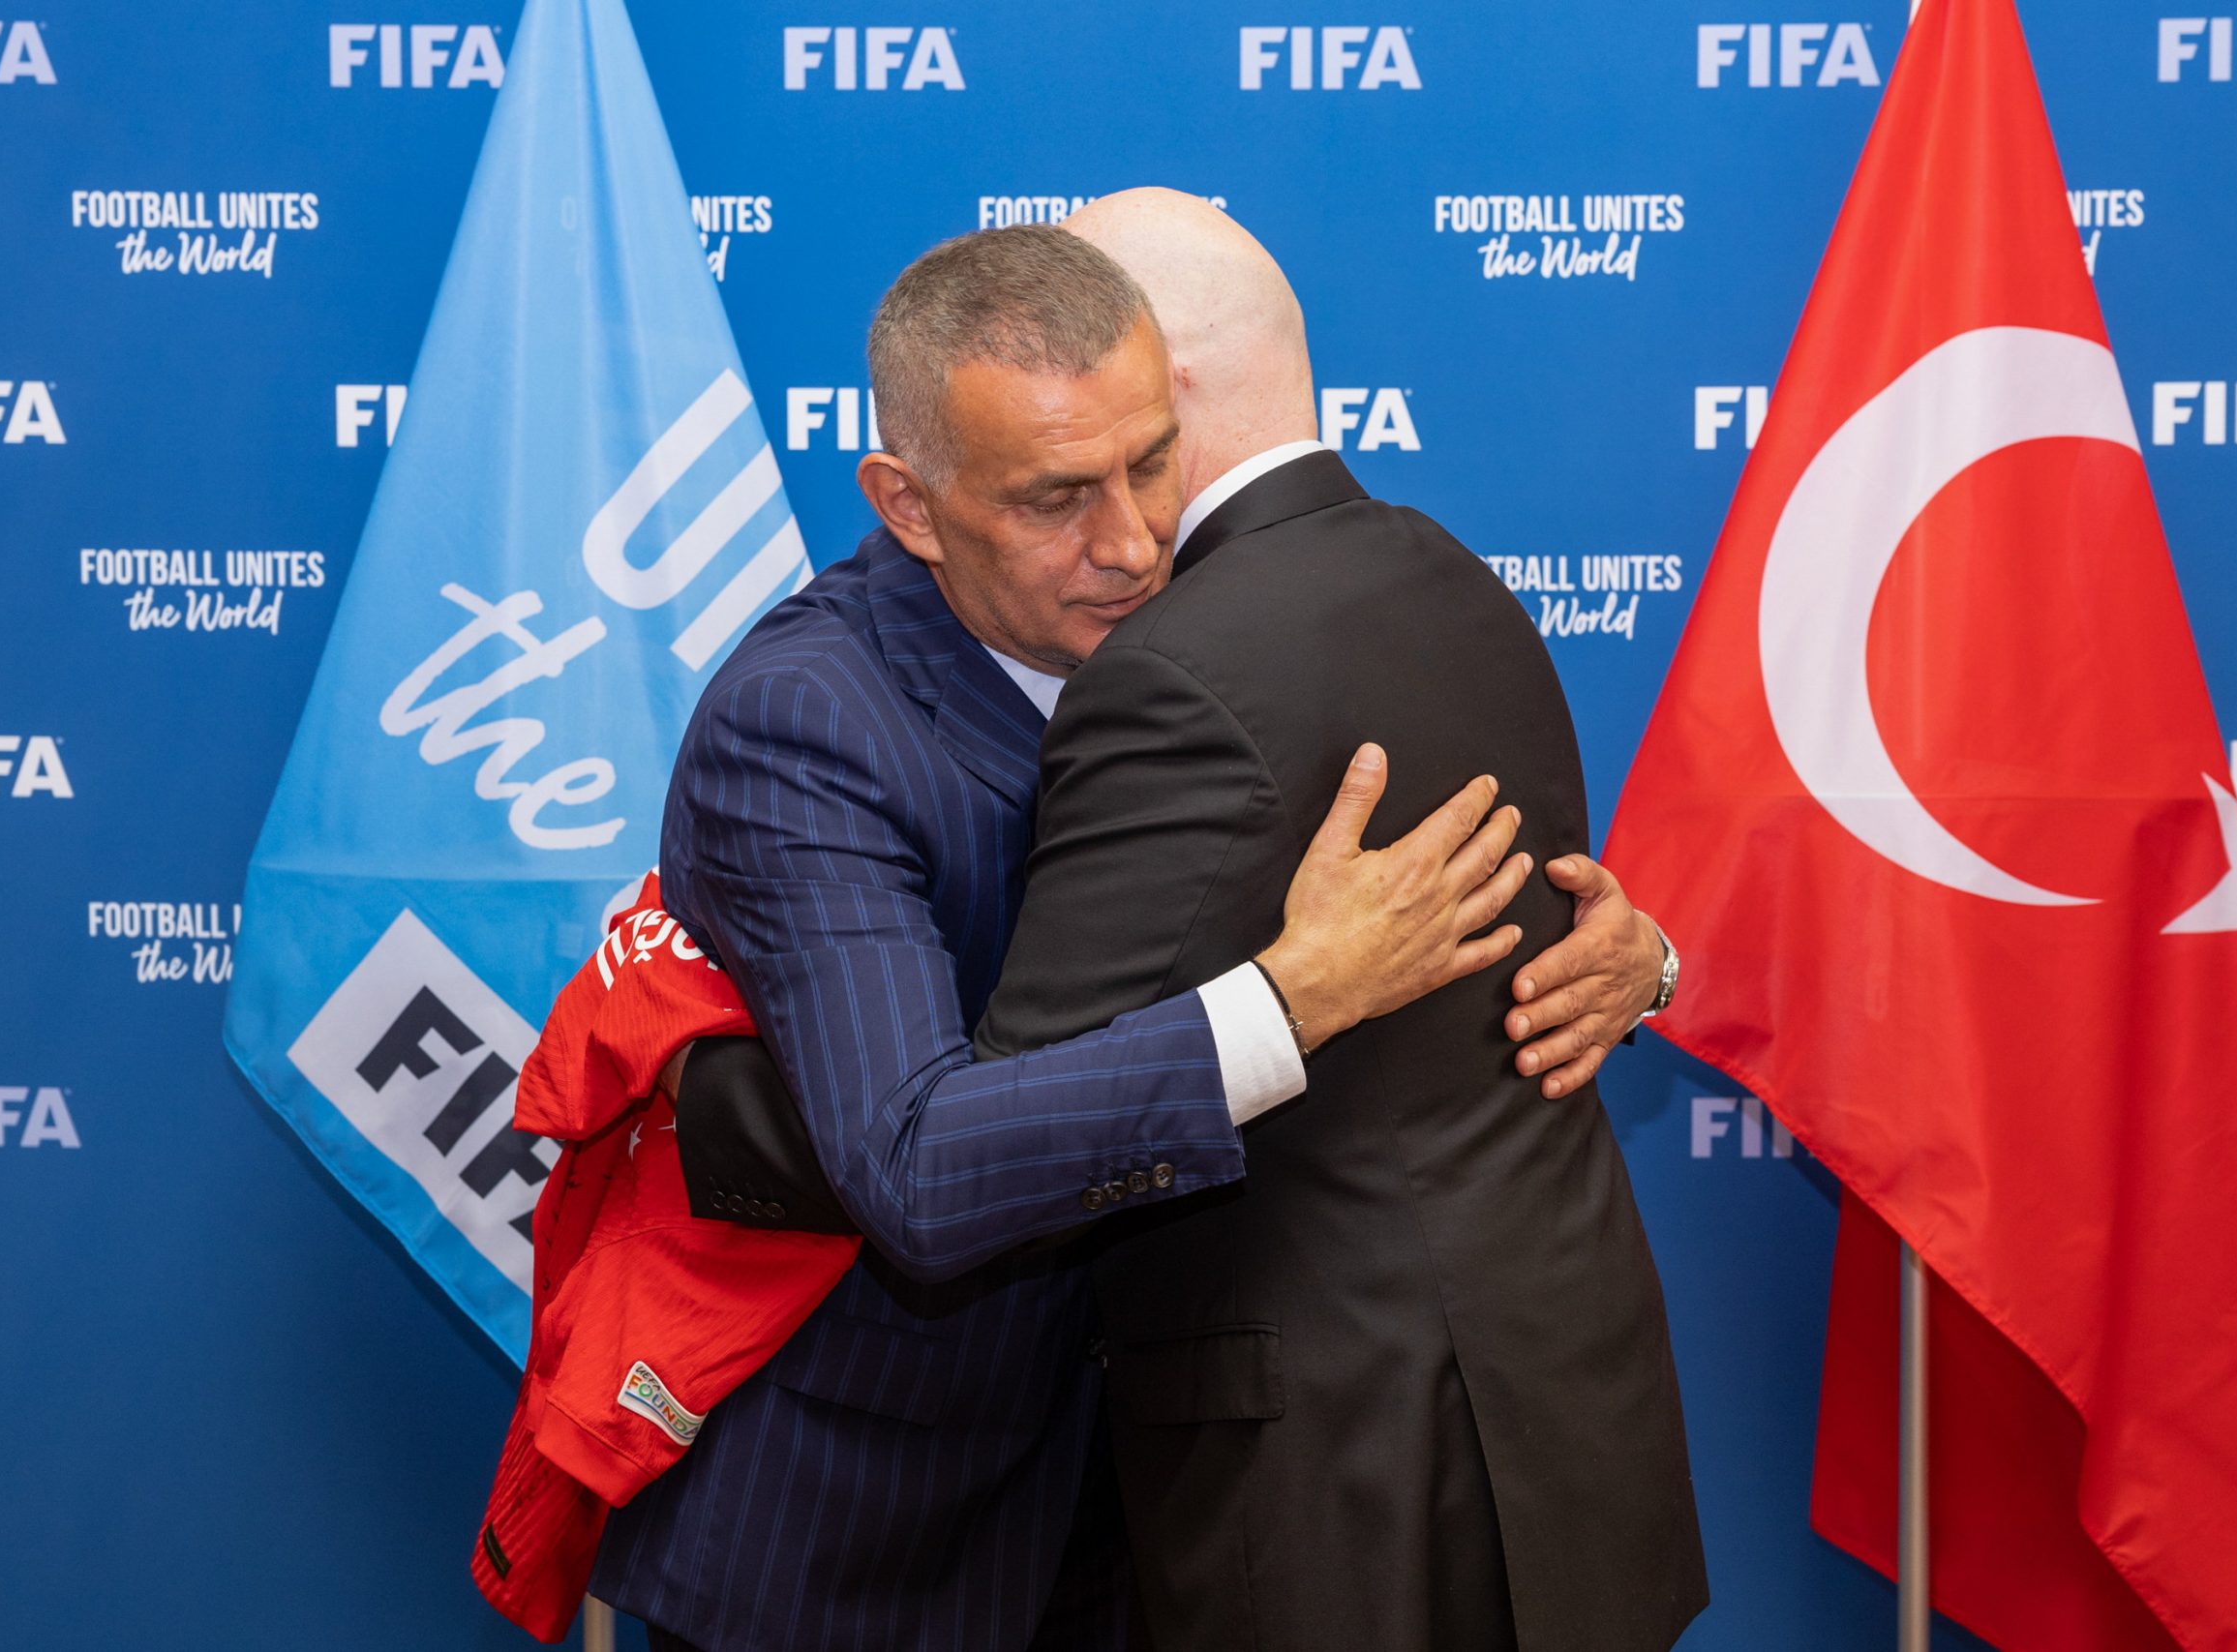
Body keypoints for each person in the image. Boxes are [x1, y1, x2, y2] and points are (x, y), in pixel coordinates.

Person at [592, 219, 1675, 1651]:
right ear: (909, 504)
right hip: (870, 1544)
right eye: (1054, 498)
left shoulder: (1246, 621)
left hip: (1156, 1517)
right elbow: (917, 1163)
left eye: (1151, 461)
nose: (1131, 540)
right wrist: (1292, 999)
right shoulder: (807, 723)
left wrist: (1630, 961)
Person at [972, 190, 1708, 1650]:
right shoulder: (1456, 576)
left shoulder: (1174, 670)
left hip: (1346, 1487)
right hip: (1555, 1421)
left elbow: (1020, 1135)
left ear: (1155, 383)